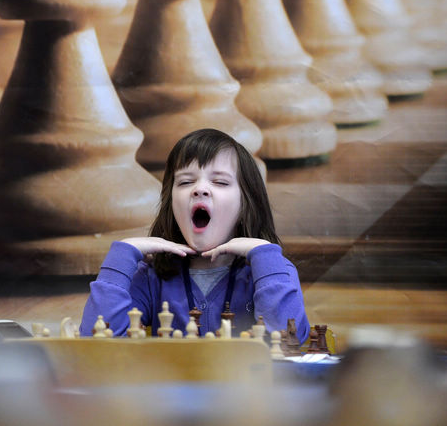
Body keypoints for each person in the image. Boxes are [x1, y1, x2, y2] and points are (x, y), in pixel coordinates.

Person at [80, 128, 309, 341]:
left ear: (245, 204)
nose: (199, 189)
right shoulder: (149, 277)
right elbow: (97, 344)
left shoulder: (275, 271)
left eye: (220, 181)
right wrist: (123, 253)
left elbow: (289, 343)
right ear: (171, 205)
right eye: (186, 181)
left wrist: (264, 255)